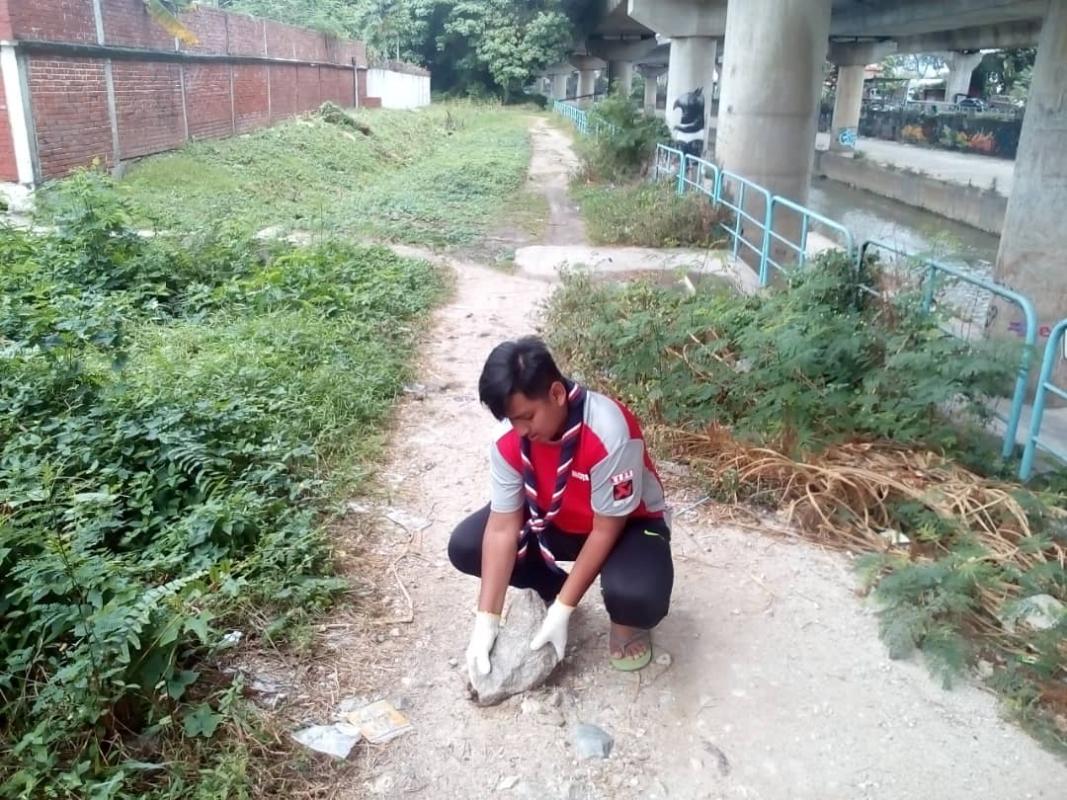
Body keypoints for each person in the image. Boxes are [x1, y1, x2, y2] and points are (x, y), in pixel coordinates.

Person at [448, 336, 673, 680]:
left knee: (636, 594)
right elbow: (502, 528)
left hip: (626, 524)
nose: (522, 430)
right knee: (467, 546)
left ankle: (624, 624)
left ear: (556, 394)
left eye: (527, 417)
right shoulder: (511, 442)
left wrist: (565, 610)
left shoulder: (608, 430)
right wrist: (486, 620)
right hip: (554, 520)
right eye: (512, 420)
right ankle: (552, 588)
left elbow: (606, 529)